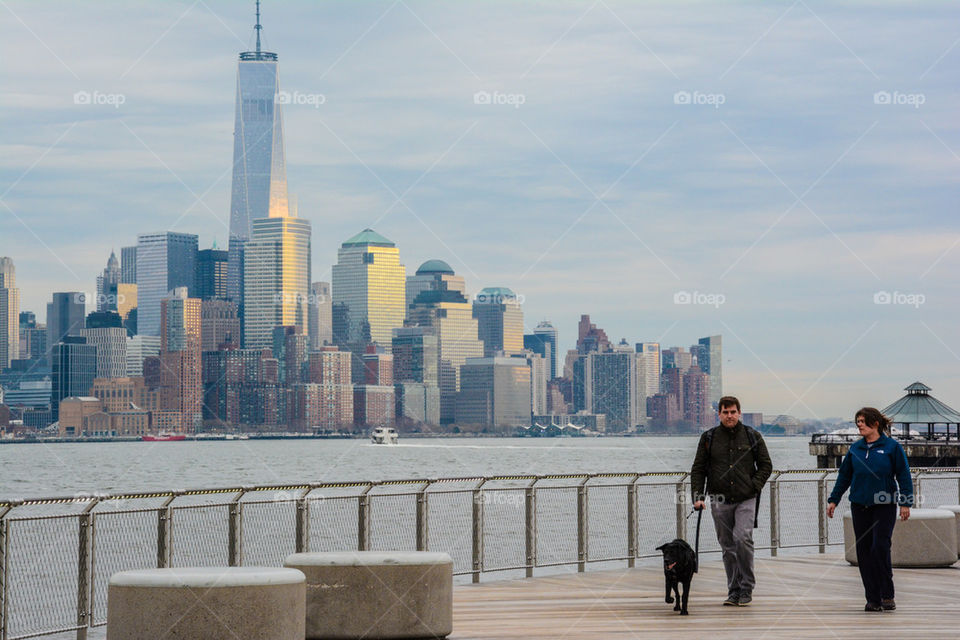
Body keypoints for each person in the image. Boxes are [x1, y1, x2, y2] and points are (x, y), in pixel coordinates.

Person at [827, 407, 913, 612]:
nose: (859, 425)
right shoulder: (855, 449)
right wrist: (833, 500)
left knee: (880, 547)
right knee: (864, 552)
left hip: (884, 505)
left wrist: (905, 503)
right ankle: (872, 598)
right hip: (860, 505)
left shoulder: (892, 447)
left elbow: (903, 475)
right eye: (857, 422)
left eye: (863, 422)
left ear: (875, 424)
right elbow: (844, 476)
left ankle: (887, 594)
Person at [691, 396, 772, 607]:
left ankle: (746, 588)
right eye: (725, 412)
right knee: (727, 546)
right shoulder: (708, 438)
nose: (729, 416)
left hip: (746, 498)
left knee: (742, 538)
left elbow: (766, 465)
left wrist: (754, 486)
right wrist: (698, 497)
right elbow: (698, 469)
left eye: (733, 412)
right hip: (719, 499)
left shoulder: (752, 436)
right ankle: (733, 590)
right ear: (719, 414)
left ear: (739, 413)